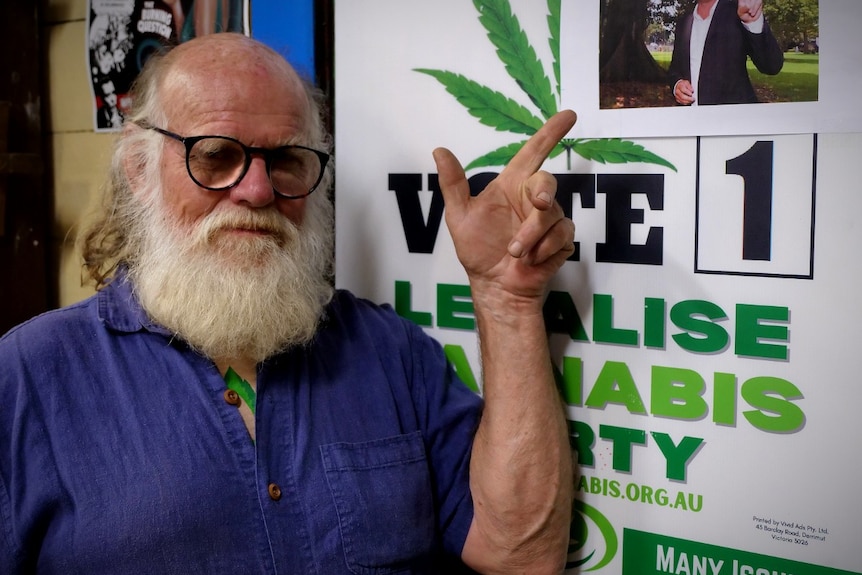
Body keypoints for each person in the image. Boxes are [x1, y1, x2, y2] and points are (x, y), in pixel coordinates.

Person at [0, 33, 576, 574]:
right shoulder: (30, 375)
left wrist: (507, 299)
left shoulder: (390, 354)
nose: (256, 190)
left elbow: (520, 557)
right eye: (215, 155)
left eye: (285, 161)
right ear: (139, 169)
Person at [668, 0, 784, 106]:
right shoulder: (684, 22)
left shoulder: (739, 11)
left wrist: (752, 22)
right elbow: (675, 70)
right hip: (694, 122)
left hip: (734, 122)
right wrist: (677, 85)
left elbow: (771, 65)